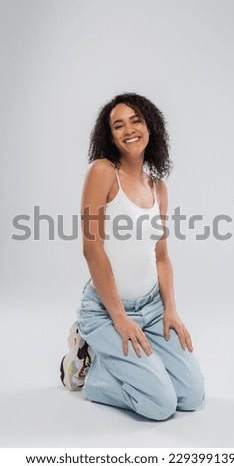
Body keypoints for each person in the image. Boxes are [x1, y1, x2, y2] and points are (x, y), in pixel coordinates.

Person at [60, 93, 205, 421]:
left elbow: (161, 256)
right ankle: (91, 367)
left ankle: (139, 370)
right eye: (118, 125)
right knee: (160, 405)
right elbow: (92, 248)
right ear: (109, 135)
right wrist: (120, 319)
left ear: (150, 126)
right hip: (106, 311)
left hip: (153, 310)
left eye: (136, 120)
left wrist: (171, 310)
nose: (129, 130)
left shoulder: (159, 189)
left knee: (192, 396)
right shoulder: (103, 172)